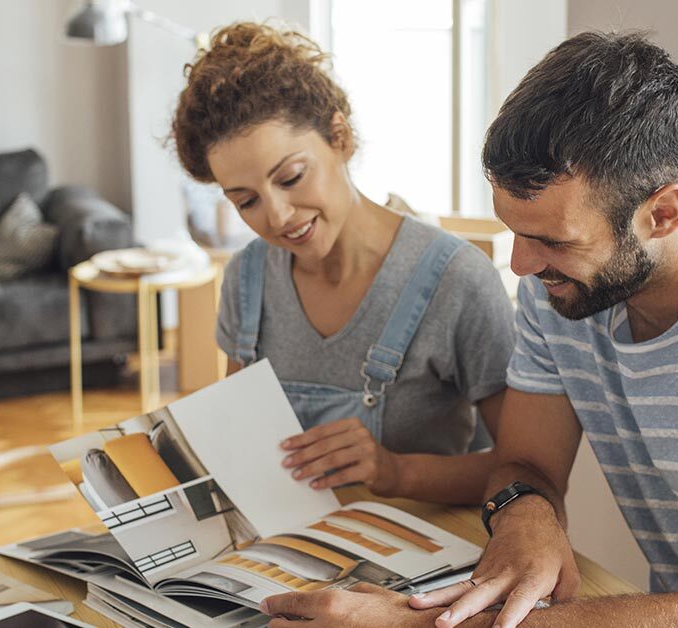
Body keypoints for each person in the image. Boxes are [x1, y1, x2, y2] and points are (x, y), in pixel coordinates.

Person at [260, 31, 678, 627]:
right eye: (516, 232)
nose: (522, 265)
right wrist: (527, 513)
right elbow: (526, 461)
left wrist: (412, 624)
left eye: (552, 240)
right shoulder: (559, 288)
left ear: (663, 213)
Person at [171, 22, 515, 505]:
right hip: (288, 557)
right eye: (246, 201)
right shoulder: (247, 280)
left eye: (291, 177)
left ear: (340, 137)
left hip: (420, 565)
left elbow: (526, 476)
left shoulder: (457, 282)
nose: (277, 217)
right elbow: (244, 447)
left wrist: (395, 472)